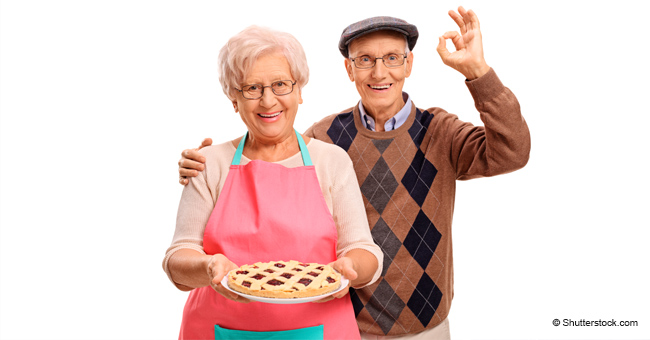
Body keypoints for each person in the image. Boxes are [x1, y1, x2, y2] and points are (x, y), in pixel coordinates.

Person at [178, 7, 530, 340]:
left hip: (422, 322)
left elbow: (511, 151)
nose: (379, 72)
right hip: (347, 321)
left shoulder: (439, 132)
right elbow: (271, 151)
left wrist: (478, 72)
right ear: (349, 69)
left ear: (409, 64)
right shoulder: (325, 135)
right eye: (365, 60)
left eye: (392, 58)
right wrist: (203, 165)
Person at [163, 25, 382, 340]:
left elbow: (363, 250)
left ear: (299, 91)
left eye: (280, 84)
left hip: (321, 330)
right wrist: (208, 266)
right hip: (218, 329)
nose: (268, 101)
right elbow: (177, 259)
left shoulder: (331, 161)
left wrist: (351, 268)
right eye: (252, 88)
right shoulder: (209, 163)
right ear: (234, 98)